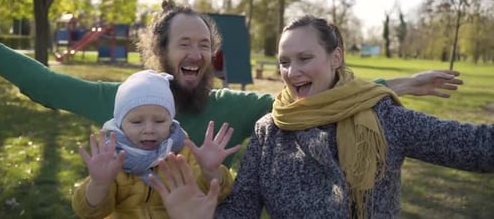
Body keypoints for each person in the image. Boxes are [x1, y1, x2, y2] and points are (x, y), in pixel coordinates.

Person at [0, 0, 463, 167]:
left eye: (203, 44)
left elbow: (319, 95)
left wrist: (401, 83)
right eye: (184, 44)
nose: (195, 53)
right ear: (161, 52)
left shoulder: (236, 109)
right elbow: (44, 83)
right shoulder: (121, 101)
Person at [148, 16, 494, 219]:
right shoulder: (269, 132)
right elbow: (241, 211)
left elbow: (479, 147)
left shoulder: (382, 118)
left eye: (304, 58)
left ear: (335, 58)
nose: (292, 71)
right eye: (284, 61)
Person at [72, 70, 239, 218]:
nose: (149, 129)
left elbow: (216, 196)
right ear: (120, 124)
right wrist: (99, 185)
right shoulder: (112, 159)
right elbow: (89, 212)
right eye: (137, 122)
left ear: (171, 121)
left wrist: (210, 171)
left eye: (159, 121)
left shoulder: (182, 153)